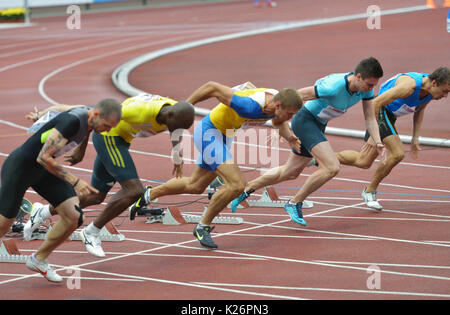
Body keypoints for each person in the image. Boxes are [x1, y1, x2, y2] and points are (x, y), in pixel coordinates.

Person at [130, 81, 303, 249]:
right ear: (278, 105)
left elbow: (278, 121)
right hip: (209, 133)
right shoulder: (248, 106)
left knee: (195, 185)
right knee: (237, 184)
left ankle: (147, 195)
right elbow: (211, 87)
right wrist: (184, 108)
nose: (291, 118)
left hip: (223, 137)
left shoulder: (275, 107)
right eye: (290, 114)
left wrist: (290, 138)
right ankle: (202, 226)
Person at [23, 93, 195, 258]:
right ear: (170, 114)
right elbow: (91, 116)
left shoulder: (173, 113)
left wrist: (177, 156)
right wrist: (81, 148)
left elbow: (175, 130)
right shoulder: (137, 110)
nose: (176, 130)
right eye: (175, 126)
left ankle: (42, 212)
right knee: (135, 190)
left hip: (122, 141)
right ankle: (92, 232)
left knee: (96, 196)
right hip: (109, 138)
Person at [231, 57, 385, 225]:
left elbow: (370, 118)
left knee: (290, 172)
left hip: (318, 125)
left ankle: (245, 189)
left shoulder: (366, 90)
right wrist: (281, 124)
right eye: (369, 84)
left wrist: (377, 142)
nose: (371, 89)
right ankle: (295, 202)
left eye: (374, 86)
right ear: (359, 77)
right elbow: (292, 96)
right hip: (305, 121)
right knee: (332, 167)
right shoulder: (333, 87)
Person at [0, 99, 122, 282]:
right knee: (4, 224)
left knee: (74, 216)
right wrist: (75, 181)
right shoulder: (72, 121)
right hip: (21, 168)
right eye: (107, 125)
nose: (108, 130)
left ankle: (38, 259)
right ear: (96, 114)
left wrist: (41, 115)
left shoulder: (86, 113)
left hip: (43, 172)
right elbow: (43, 157)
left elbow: (59, 108)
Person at [336, 67, 450, 210]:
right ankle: (370, 191)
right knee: (397, 153)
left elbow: (420, 110)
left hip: (389, 115)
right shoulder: (408, 86)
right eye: (445, 91)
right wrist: (374, 134)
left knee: (363, 161)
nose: (445, 96)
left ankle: (321, 158)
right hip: (380, 110)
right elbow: (375, 103)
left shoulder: (431, 92)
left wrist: (415, 138)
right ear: (434, 83)